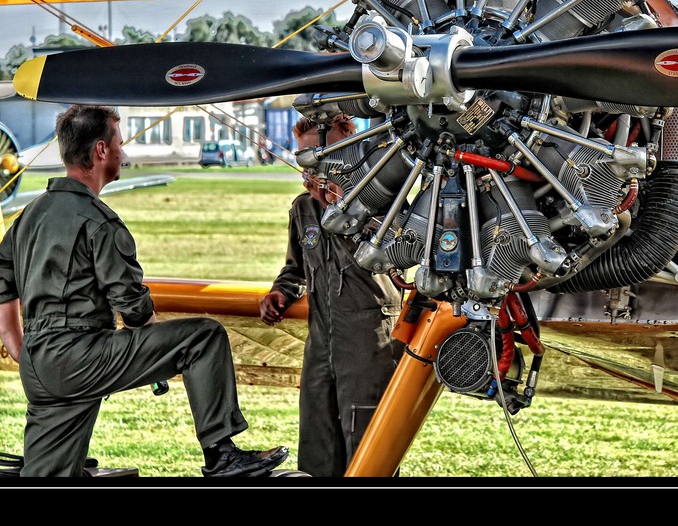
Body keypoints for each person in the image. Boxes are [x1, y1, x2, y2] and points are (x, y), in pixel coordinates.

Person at [0, 104, 289, 478]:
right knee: (202, 337)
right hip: (79, 357)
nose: (124, 152)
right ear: (101, 151)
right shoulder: (99, 222)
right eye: (119, 142)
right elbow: (134, 309)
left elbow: (2, 277)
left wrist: (18, 346)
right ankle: (222, 455)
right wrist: (154, 355)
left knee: (47, 476)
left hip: (37, 364)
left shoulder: (30, 215)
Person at [260, 114, 403, 477]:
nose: (313, 164)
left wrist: (343, 212)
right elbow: (296, 268)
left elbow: (396, 262)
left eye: (324, 153)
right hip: (321, 341)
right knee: (317, 437)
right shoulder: (302, 209)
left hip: (370, 339)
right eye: (306, 155)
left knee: (368, 440)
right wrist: (281, 292)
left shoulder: (382, 201)